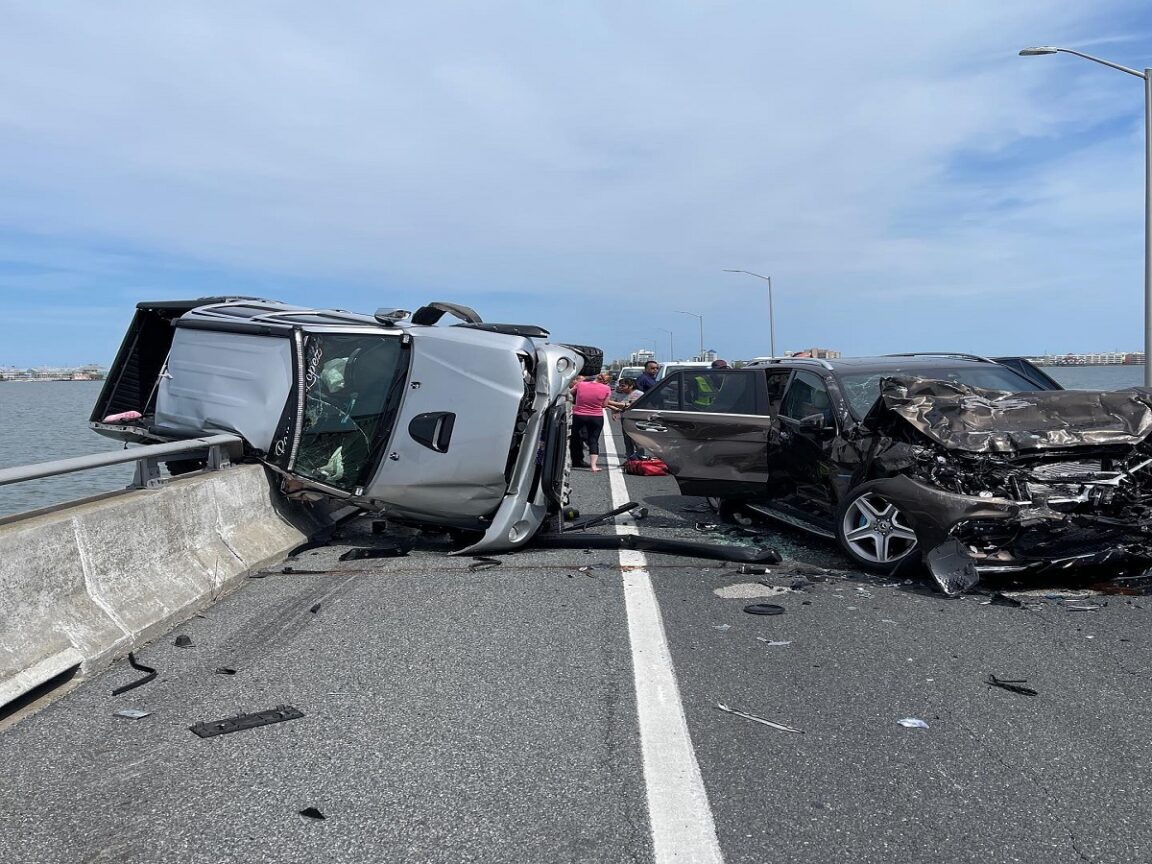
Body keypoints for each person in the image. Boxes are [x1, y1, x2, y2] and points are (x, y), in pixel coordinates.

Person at [570, 373, 612, 471]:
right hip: (596, 416)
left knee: (575, 437)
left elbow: (570, 392)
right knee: (593, 440)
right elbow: (604, 405)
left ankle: (574, 460)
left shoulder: (581, 384)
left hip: (579, 415)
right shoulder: (606, 389)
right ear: (606, 382)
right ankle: (593, 466)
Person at [608, 377, 644, 458]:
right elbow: (615, 403)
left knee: (636, 438)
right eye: (620, 386)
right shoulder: (619, 394)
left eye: (623, 386)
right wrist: (614, 412)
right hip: (625, 418)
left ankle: (640, 454)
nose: (620, 388)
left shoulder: (639, 394)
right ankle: (629, 454)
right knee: (626, 437)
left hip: (636, 418)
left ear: (631, 386)